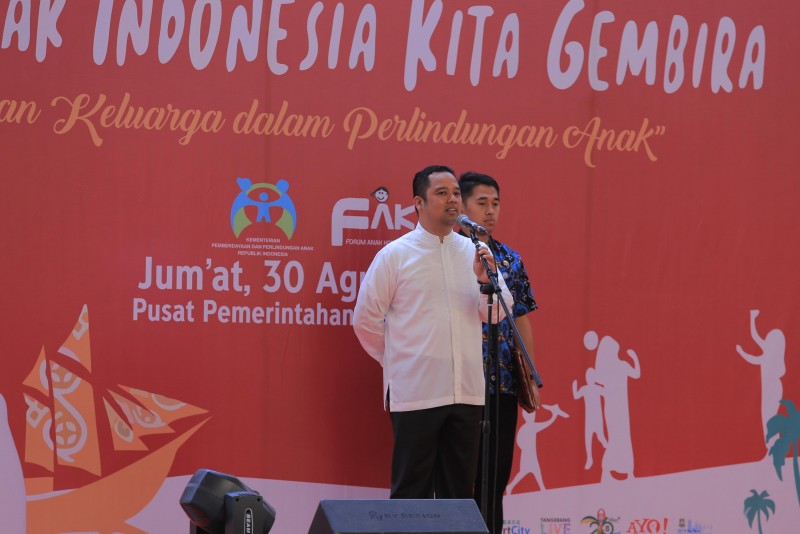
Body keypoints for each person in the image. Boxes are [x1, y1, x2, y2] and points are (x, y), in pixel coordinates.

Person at [353, 165, 513, 500]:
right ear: (418, 203)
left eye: (455, 193)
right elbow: (365, 319)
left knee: (459, 494)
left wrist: (486, 281)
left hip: (467, 393)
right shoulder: (395, 256)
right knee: (412, 493)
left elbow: (499, 312)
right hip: (416, 391)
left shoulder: (474, 252)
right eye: (442, 193)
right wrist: (398, 361)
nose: (452, 199)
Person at [459, 171, 540, 534]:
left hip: (502, 384)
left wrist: (529, 374)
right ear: (461, 206)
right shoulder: (450, 254)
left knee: (495, 479)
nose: (490, 211)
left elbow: (521, 317)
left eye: (495, 203)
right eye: (482, 203)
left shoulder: (510, 259)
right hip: (457, 384)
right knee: (457, 478)